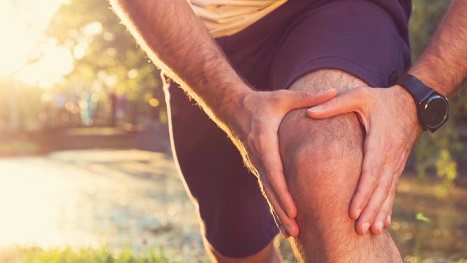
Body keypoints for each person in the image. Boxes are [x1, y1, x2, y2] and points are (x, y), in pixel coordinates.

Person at [109, 0, 467, 262]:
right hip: (195, 31)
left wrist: (419, 93)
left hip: (335, 10)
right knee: (240, 249)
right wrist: (232, 105)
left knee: (326, 164)